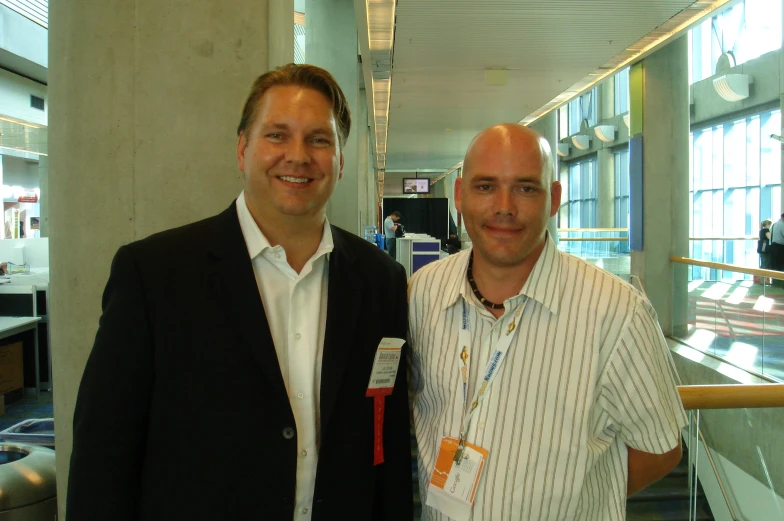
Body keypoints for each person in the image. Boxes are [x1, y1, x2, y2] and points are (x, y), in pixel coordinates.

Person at [67, 64, 413, 521]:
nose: (298, 155)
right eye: (277, 135)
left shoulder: (380, 281)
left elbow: (384, 440)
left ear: (341, 161)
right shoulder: (154, 275)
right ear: (242, 148)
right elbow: (102, 456)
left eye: (319, 139)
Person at [408, 124, 687, 521]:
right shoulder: (423, 293)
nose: (504, 206)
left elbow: (660, 449)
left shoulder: (616, 312)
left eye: (525, 188)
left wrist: (573, 500)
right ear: (459, 195)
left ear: (554, 198)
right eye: (486, 186)